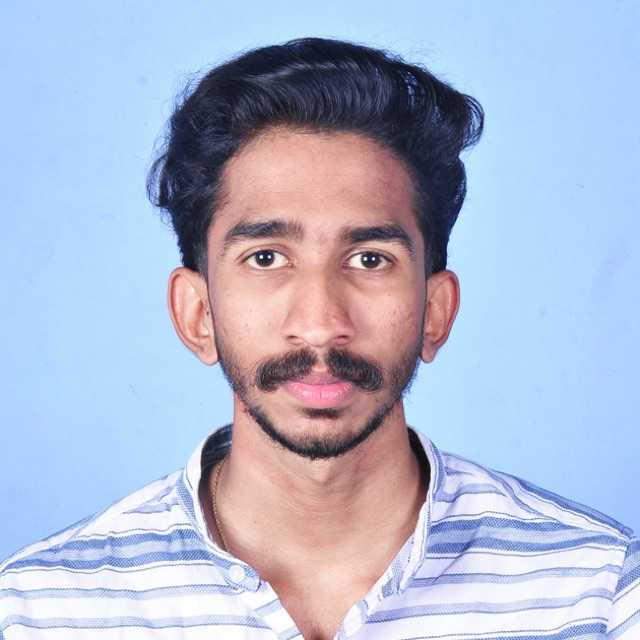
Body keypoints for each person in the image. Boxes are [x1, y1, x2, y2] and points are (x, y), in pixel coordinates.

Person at [1, 37, 637, 640]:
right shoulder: (38, 612)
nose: (320, 321)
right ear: (197, 313)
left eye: (369, 259)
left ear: (436, 312)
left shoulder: (601, 595)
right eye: (266, 258)